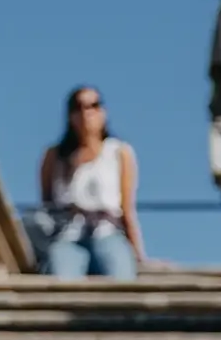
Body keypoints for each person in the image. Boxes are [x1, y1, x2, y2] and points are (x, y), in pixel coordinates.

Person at [33, 86, 144, 279]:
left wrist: (139, 253)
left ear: (103, 112)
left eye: (93, 105)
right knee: (61, 279)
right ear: (70, 116)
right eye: (78, 107)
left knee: (121, 281)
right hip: (67, 236)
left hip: (107, 232)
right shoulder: (54, 156)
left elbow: (127, 208)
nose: (86, 113)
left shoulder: (119, 152)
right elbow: (47, 205)